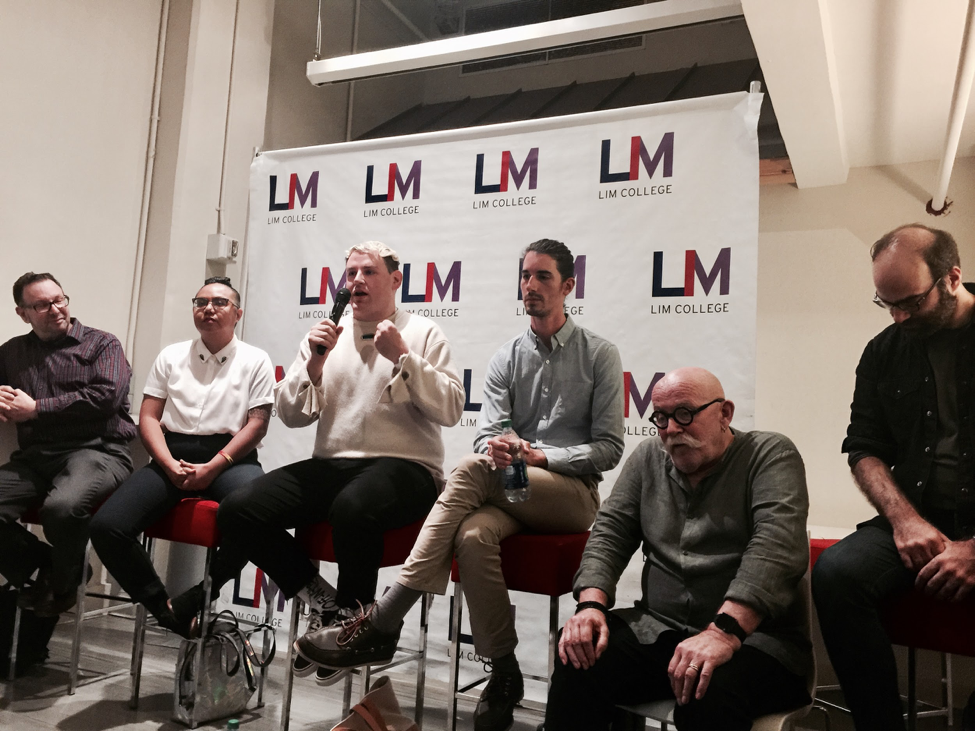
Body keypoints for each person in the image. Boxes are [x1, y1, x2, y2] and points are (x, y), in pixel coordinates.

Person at [296, 238, 626, 731]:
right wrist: (500, 449)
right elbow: (485, 435)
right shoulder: (506, 356)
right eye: (525, 276)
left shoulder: (599, 354)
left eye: (543, 277)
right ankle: (505, 673)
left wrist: (540, 456)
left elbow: (609, 448)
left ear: (569, 286)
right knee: (471, 536)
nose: (531, 286)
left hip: (570, 495)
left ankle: (383, 618)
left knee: (469, 471)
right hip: (508, 488)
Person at [169, 241, 465, 669]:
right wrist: (313, 365)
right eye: (351, 273)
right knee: (238, 507)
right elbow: (291, 415)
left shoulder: (422, 332)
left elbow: (451, 409)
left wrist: (403, 356)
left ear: (395, 280)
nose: (357, 281)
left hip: (407, 468)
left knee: (353, 506)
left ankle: (352, 627)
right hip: (334, 464)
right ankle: (325, 602)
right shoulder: (327, 334)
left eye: (369, 272)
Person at [543, 367, 811, 731]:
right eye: (661, 417)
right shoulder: (648, 457)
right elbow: (610, 532)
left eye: (685, 414)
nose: (671, 429)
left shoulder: (769, 455)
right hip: (661, 630)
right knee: (578, 653)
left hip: (755, 641)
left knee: (707, 685)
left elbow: (775, 548)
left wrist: (722, 632)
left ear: (724, 413)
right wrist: (590, 606)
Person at [812, 224, 975, 731]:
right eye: (886, 304)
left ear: (952, 278)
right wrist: (904, 520)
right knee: (837, 575)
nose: (899, 316)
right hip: (920, 512)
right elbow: (864, 447)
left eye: (911, 302)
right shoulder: (884, 351)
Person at [90, 277, 274, 637]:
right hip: (171, 454)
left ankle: (197, 597)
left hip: (230, 458)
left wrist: (213, 467)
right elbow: (148, 417)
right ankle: (165, 609)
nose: (208, 308)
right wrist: (168, 464)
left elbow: (257, 424)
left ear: (237, 314)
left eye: (219, 302)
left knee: (257, 516)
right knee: (106, 526)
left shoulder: (256, 359)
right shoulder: (171, 356)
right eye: (201, 302)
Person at [0, 272, 135, 617]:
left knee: (62, 508)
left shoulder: (102, 344)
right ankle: (49, 565)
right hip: (35, 458)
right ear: (22, 313)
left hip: (98, 451)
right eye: (42, 305)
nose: (56, 309)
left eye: (59, 300)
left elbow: (106, 397)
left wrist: (36, 408)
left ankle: (62, 584)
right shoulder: (12, 352)